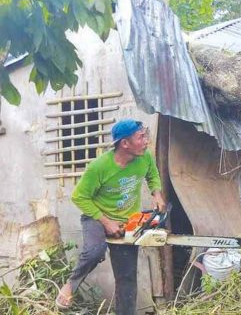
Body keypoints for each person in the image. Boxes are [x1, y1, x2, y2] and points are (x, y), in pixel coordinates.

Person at [55, 119, 165, 314]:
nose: (146, 141)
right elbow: (79, 197)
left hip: (127, 221)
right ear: (125, 143)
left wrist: (156, 193)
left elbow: (152, 174)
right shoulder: (99, 167)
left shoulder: (144, 157)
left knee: (127, 277)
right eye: (141, 137)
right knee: (95, 251)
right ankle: (71, 285)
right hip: (97, 217)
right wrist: (106, 222)